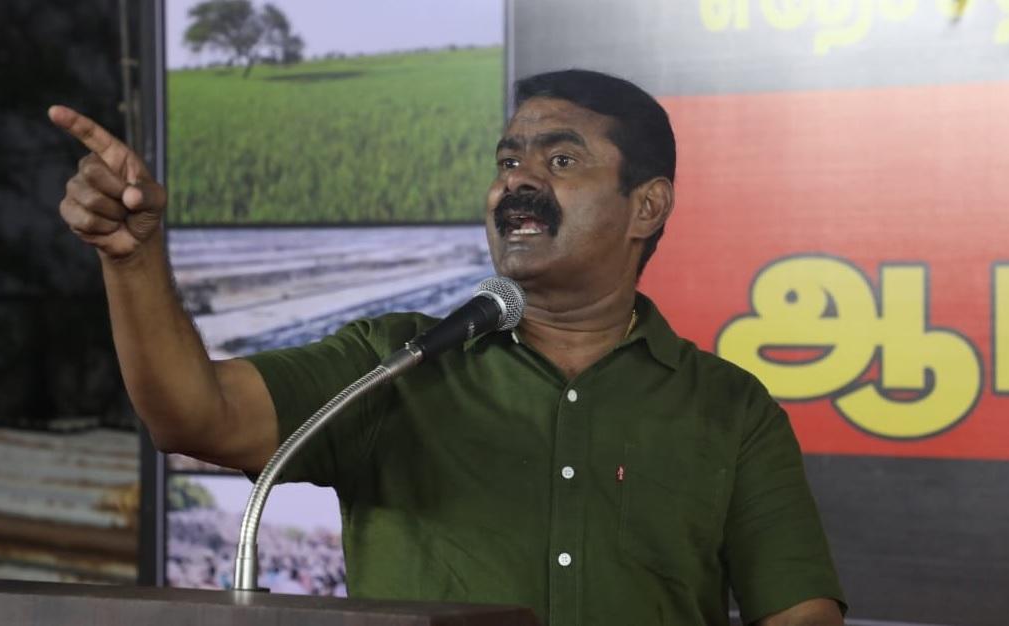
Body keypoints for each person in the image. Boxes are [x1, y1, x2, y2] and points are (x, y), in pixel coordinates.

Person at [50, 69, 846, 626]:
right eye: (508, 161)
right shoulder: (398, 363)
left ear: (647, 206)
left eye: (560, 160)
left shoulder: (730, 408)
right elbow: (195, 416)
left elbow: (799, 612)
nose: (518, 181)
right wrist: (133, 260)